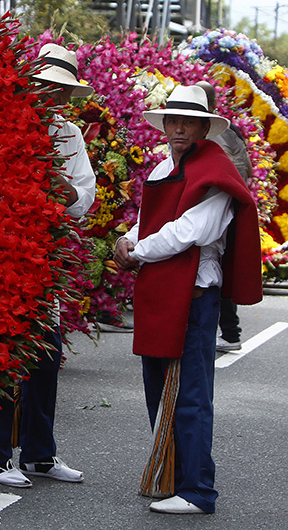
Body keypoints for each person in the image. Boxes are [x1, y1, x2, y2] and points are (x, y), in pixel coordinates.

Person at [113, 85, 262, 514]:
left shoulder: (214, 170)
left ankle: (198, 490)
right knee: (159, 391)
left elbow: (192, 231)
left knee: (191, 395)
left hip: (193, 297)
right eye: (172, 121)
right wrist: (127, 239)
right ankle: (172, 475)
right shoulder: (164, 167)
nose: (178, 128)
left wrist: (137, 251)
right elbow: (148, 222)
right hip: (161, 293)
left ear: (203, 127)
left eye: (188, 121)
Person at [0, 43, 95, 488]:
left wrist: (65, 190)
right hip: (5, 256)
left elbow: (85, 198)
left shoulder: (69, 136)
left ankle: (39, 455)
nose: (52, 98)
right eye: (45, 87)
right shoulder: (4, 127)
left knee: (45, 356)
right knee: (4, 354)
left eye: (60, 92)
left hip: (49, 258)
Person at [196, 81, 250, 353]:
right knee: (221, 268)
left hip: (215, 208)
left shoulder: (212, 134)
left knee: (211, 269)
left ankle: (228, 332)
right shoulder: (232, 132)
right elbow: (246, 171)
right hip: (233, 207)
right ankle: (229, 331)